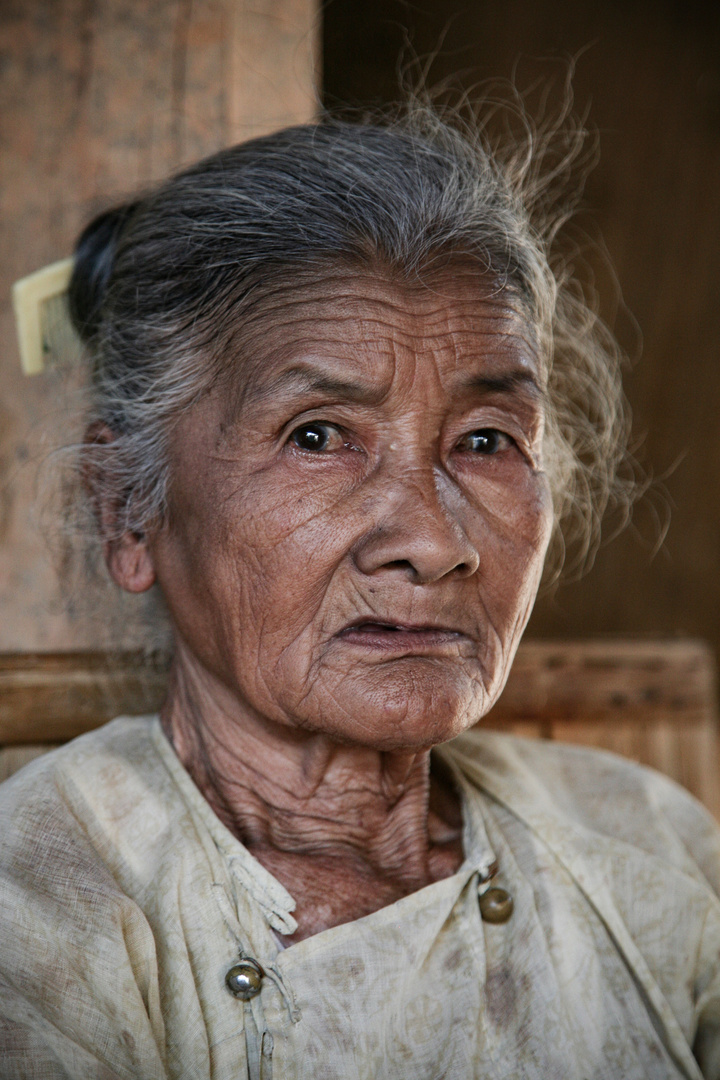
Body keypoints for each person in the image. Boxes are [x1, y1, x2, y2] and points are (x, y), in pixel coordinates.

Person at [1, 108, 719, 1080]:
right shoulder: (36, 907)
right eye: (318, 435)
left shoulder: (648, 843)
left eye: (485, 441)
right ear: (131, 511)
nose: (432, 542)